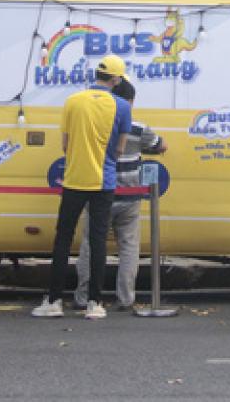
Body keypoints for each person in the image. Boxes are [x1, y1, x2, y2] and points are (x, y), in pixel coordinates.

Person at [32, 55, 132, 320]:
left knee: (63, 239)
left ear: (97, 75)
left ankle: (54, 300)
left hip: (74, 179)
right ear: (116, 79)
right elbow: (120, 148)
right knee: (98, 241)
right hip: (104, 181)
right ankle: (95, 303)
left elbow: (65, 145)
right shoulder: (122, 106)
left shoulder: (72, 101)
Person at [74, 78, 166, 311]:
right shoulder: (137, 128)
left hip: (99, 193)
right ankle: (125, 299)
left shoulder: (94, 124)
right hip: (129, 196)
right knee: (128, 247)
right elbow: (160, 145)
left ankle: (84, 297)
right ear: (131, 102)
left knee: (91, 245)